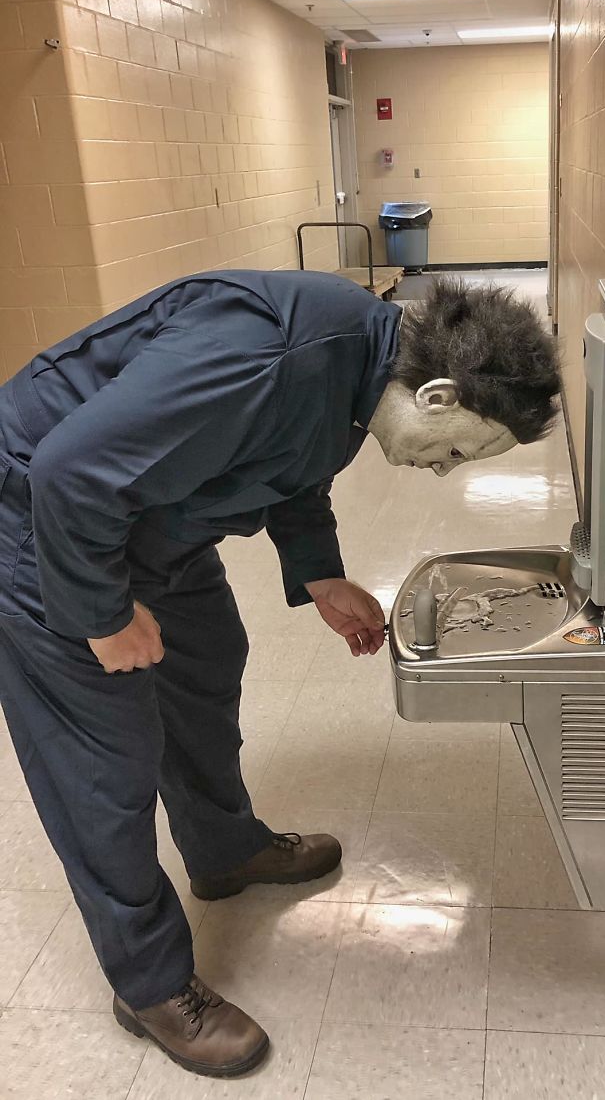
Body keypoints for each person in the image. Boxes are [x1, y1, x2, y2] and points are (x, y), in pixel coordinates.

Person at [0, 270, 559, 1077]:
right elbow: (67, 471)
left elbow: (297, 458)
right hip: (41, 521)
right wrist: (102, 615)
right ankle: (149, 984)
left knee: (208, 655)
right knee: (103, 760)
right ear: (438, 395)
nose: (443, 469)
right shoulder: (266, 355)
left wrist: (320, 573)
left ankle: (223, 850)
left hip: (145, 515)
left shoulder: (364, 363)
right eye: (458, 449)